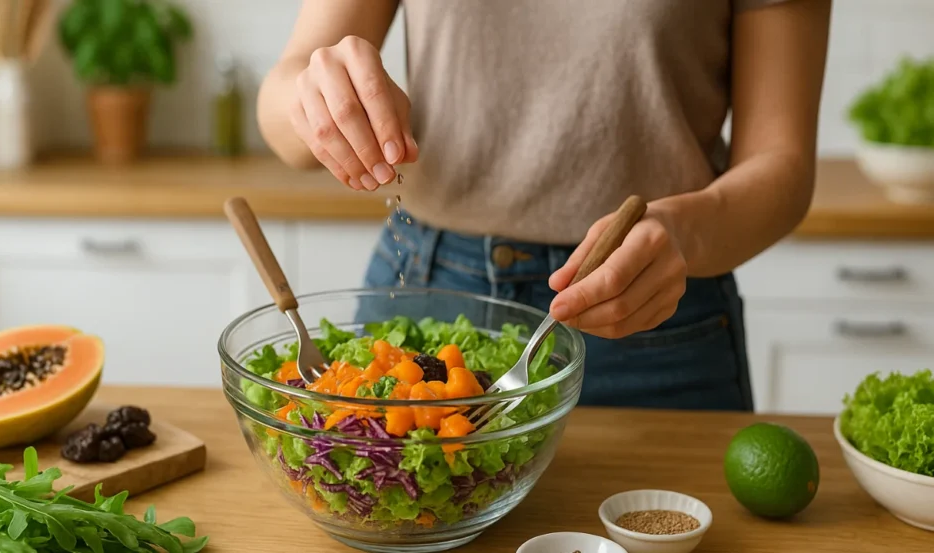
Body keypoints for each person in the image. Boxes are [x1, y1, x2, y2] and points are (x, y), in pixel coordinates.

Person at [257, 0, 832, 411]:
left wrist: (682, 232)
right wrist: (313, 92)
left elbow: (783, 167)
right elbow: (281, 112)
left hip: (650, 312)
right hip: (425, 290)